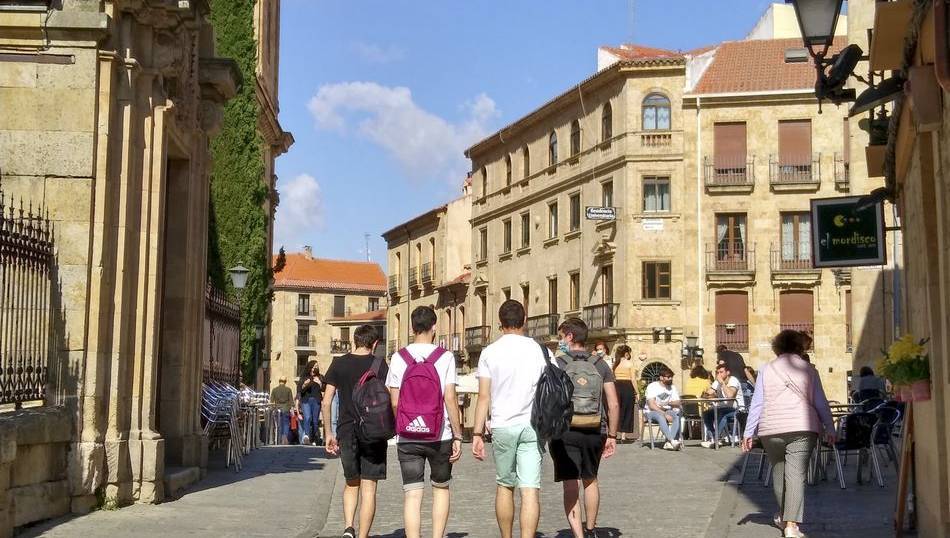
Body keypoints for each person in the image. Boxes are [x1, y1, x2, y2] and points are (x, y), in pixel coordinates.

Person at [742, 330, 836, 538]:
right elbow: (820, 402)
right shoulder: (809, 370)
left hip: (771, 429)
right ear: (799, 347)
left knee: (778, 471)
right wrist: (830, 427)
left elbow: (757, 403)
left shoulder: (766, 369)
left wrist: (748, 432)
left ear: (777, 347)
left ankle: (784, 518)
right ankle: (791, 525)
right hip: (802, 426)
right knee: (796, 474)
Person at [472, 300, 547, 538]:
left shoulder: (490, 352)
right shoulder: (539, 350)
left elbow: (484, 396)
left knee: (505, 485)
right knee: (530, 489)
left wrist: (477, 433)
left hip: (503, 424)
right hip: (532, 424)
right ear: (524, 321)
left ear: (500, 322)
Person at [386, 306, 463, 538]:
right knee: (441, 489)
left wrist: (405, 423)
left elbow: (395, 402)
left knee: (412, 493)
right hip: (440, 435)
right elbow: (450, 398)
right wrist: (458, 435)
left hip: (408, 435)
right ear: (434, 327)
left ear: (412, 328)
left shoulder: (399, 357)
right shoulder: (445, 357)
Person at [550, 317, 619, 538]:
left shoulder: (558, 364)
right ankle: (590, 530)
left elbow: (550, 399)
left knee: (571, 484)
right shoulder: (600, 364)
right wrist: (612, 435)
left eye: (561, 337)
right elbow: (613, 403)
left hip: (566, 431)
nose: (560, 341)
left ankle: (578, 535)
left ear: (570, 336)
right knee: (591, 479)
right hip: (594, 429)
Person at [322, 325, 389, 538]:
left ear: (354, 341)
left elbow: (326, 401)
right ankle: (363, 535)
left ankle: (348, 527)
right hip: (373, 431)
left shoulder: (339, 363)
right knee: (369, 487)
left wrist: (328, 433)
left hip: (346, 430)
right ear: (375, 343)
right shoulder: (380, 365)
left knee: (351, 482)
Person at [700, 363, 745, 448]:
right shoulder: (717, 382)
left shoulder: (733, 380)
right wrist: (707, 394)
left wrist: (722, 383)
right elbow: (709, 392)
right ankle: (714, 436)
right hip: (722, 408)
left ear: (728, 372)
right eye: (717, 372)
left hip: (737, 409)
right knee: (706, 414)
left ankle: (716, 439)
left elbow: (730, 396)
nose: (719, 374)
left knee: (722, 413)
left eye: (721, 372)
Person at [644, 366, 682, 450]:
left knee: (676, 416)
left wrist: (668, 403)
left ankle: (668, 442)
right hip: (651, 412)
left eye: (671, 377)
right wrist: (664, 414)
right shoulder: (652, 386)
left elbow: (678, 402)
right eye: (668, 377)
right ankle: (672, 441)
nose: (670, 379)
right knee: (660, 417)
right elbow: (651, 405)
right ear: (661, 377)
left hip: (666, 409)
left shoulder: (672, 387)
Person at [612, 345, 638, 443]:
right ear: (626, 353)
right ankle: (623, 436)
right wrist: (637, 392)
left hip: (617, 387)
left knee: (617, 410)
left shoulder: (615, 364)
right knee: (627, 410)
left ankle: (615, 434)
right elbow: (633, 379)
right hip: (627, 387)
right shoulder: (629, 364)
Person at [297, 361, 324, 445]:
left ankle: (315, 437)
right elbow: (299, 390)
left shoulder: (320, 377)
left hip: (316, 400)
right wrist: (304, 385)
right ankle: (306, 436)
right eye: (314, 366)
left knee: (315, 420)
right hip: (306, 400)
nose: (315, 368)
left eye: (317, 366)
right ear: (310, 367)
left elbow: (324, 389)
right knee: (307, 417)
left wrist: (320, 383)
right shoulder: (304, 377)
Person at [270, 376, 295, 444]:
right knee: (286, 423)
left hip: (277, 408)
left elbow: (271, 401)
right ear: (285, 382)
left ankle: (280, 438)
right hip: (286, 408)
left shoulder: (274, 390)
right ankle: (285, 436)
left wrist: (272, 409)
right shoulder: (288, 389)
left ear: (279, 381)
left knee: (279, 423)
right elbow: (291, 401)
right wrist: (292, 408)